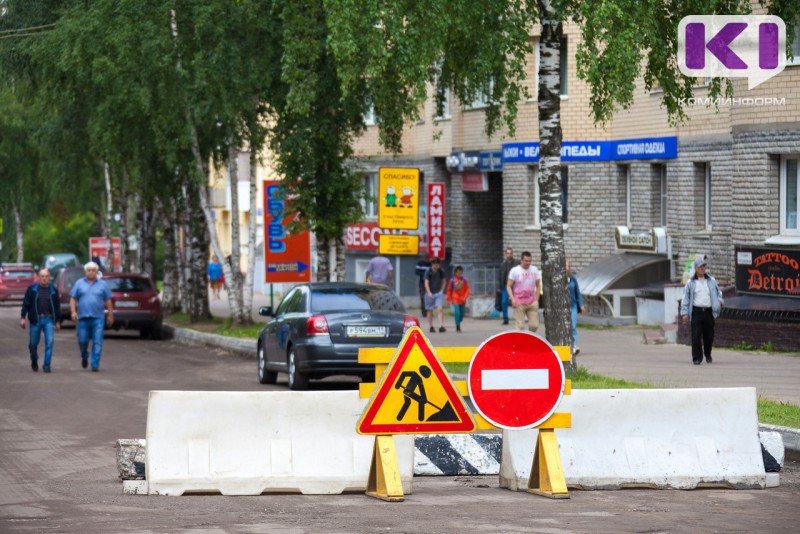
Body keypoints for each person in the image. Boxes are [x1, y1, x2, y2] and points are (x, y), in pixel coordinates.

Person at [70, 262, 114, 372]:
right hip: (83, 318)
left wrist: (110, 314)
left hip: (98, 318)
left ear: (96, 272)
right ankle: (84, 356)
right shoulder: (79, 283)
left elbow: (108, 300)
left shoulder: (103, 284)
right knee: (82, 341)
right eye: (88, 270)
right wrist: (73, 312)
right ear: (85, 272)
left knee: (97, 342)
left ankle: (95, 364)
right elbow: (73, 298)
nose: (90, 272)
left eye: (93, 270)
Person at [680, 258, 724, 365]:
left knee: (709, 335)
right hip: (696, 312)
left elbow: (719, 293)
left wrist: (719, 302)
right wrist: (684, 312)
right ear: (695, 268)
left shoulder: (712, 281)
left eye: (704, 266)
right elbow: (685, 297)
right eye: (700, 267)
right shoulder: (691, 283)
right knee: (696, 335)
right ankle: (696, 358)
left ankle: (708, 354)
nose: (703, 268)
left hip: (708, 312)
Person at [20, 268, 61, 373]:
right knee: (33, 344)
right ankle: (34, 359)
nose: (44, 278)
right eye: (42, 276)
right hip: (36, 320)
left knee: (49, 342)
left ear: (49, 277)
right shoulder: (32, 289)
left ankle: (47, 365)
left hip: (48, 319)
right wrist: (23, 318)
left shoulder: (53, 290)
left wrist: (57, 321)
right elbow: (26, 304)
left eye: (46, 276)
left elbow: (57, 306)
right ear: (39, 277)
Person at [507, 251, 542, 332]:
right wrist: (512, 299)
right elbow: (509, 285)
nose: (528, 263)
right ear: (521, 260)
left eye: (529, 261)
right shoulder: (515, 271)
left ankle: (529, 341)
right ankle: (520, 343)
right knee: (520, 327)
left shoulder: (534, 270)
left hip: (532, 301)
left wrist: (537, 299)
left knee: (534, 325)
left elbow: (538, 285)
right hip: (519, 302)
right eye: (526, 261)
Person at [566, 261, 585, 355]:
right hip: (563, 308)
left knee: (572, 326)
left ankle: (574, 346)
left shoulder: (573, 278)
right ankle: (566, 346)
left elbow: (577, 292)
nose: (567, 268)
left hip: (573, 306)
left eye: (569, 266)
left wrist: (581, 305)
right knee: (565, 327)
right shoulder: (559, 280)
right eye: (566, 266)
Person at [424, 258, 447, 333]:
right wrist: (429, 292)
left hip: (438, 293)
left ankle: (441, 326)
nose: (437, 267)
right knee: (429, 310)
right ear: (432, 264)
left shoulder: (441, 271)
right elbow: (426, 282)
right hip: (430, 293)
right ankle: (431, 326)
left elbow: (444, 281)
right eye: (436, 265)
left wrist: (442, 290)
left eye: (438, 265)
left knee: (440, 309)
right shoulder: (428, 272)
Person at [446, 266, 470, 333]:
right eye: (458, 273)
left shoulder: (465, 280)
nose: (460, 274)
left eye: (461, 273)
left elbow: (467, 289)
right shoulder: (452, 280)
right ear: (455, 273)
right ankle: (457, 325)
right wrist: (448, 299)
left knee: (462, 314)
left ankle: (458, 321)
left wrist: (465, 297)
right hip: (455, 298)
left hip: (462, 299)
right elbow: (449, 290)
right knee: (457, 312)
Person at [499, 247, 517, 325]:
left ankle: (518, 318)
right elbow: (500, 276)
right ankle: (505, 318)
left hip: (516, 285)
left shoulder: (516, 263)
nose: (509, 255)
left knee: (517, 301)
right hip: (506, 285)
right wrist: (499, 286)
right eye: (508, 253)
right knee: (504, 301)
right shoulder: (503, 265)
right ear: (505, 254)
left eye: (510, 253)